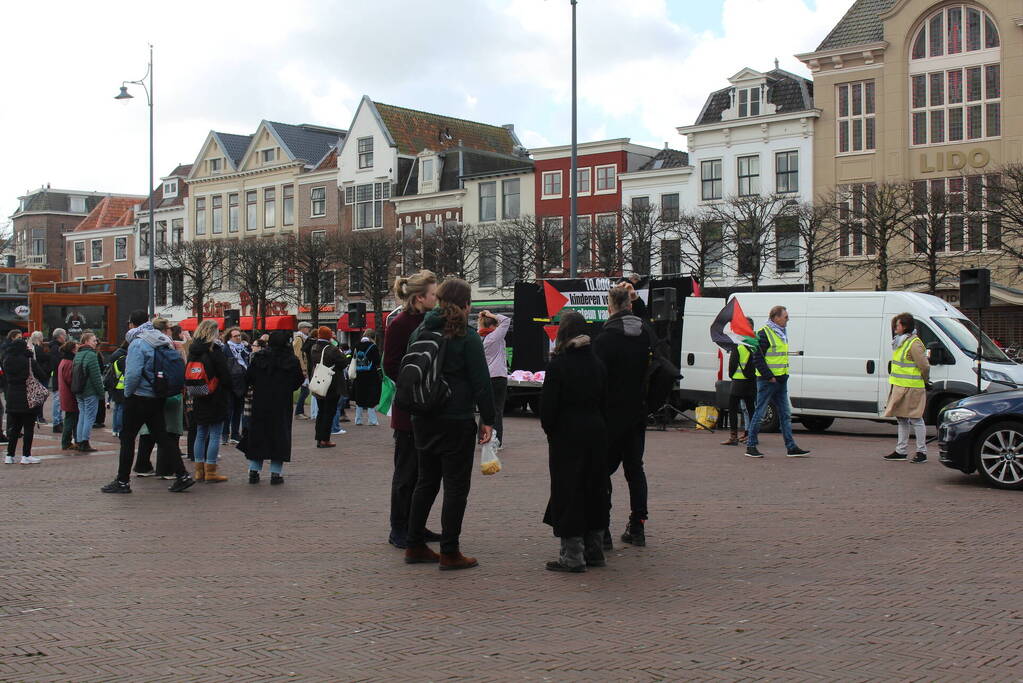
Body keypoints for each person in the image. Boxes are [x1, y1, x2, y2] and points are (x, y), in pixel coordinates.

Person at [404, 278, 495, 571]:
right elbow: (481, 382)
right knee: (455, 487)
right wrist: (488, 419)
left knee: (425, 482)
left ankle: (414, 544)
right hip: (455, 418)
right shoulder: (466, 336)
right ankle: (450, 551)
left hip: (423, 416)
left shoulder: (421, 329)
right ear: (465, 304)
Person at [593, 283, 665, 548]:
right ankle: (638, 526)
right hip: (637, 412)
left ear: (609, 307)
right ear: (630, 305)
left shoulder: (604, 339)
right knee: (635, 469)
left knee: (602, 471)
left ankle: (603, 530)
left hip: (610, 415)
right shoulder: (645, 334)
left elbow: (597, 379)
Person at [541, 310, 610, 572]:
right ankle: (595, 550)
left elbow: (548, 408)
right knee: (595, 488)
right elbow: (605, 401)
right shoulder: (598, 364)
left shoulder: (558, 365)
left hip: (567, 435)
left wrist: (552, 430)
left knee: (568, 491)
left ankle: (572, 555)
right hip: (596, 431)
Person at [100, 317, 195, 494]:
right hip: (158, 395)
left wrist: (128, 394)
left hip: (139, 396)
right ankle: (182, 475)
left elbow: (133, 374)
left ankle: (122, 480)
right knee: (162, 436)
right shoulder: (163, 341)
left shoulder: (138, 344)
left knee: (127, 438)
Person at [382, 269, 440, 549]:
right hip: (409, 411)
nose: (437, 298)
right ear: (419, 298)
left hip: (428, 410)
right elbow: (390, 364)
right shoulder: (400, 324)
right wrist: (414, 385)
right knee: (406, 474)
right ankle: (398, 528)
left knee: (423, 475)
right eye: (433, 294)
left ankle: (416, 524)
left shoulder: (429, 321)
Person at [240, 331, 305, 484]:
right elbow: (298, 380)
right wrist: (287, 388)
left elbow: (248, 377)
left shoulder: (259, 357)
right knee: (280, 436)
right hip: (281, 403)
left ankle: (254, 470)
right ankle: (276, 473)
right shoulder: (291, 360)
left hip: (261, 402)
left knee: (259, 435)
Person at [745, 305, 810, 458]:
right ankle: (751, 446)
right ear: (776, 318)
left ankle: (791, 447)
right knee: (760, 413)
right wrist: (769, 376)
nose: (788, 320)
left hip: (780, 379)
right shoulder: (764, 333)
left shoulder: (781, 333)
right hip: (768, 381)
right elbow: (757, 358)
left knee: (785, 414)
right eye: (785, 317)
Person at [132, 319, 185, 479]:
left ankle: (142, 465)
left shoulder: (144, 344)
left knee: (149, 430)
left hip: (149, 392)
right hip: (170, 391)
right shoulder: (170, 345)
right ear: (165, 330)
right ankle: (166, 469)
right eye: (169, 328)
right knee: (169, 431)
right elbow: (180, 369)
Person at [187, 320, 232, 483]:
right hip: (216, 395)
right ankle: (211, 471)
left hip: (199, 394)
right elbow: (224, 375)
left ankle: (199, 471)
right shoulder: (215, 350)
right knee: (214, 434)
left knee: (200, 433)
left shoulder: (193, 350)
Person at [883, 312, 931, 463]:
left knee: (916, 419)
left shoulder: (914, 343)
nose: (895, 328)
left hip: (912, 387)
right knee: (902, 419)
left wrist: (925, 380)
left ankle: (921, 452)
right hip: (900, 386)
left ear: (904, 326)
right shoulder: (900, 341)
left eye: (897, 325)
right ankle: (901, 451)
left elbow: (924, 366)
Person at [3, 336, 48, 464]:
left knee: (14, 428)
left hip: (12, 397)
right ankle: (26, 455)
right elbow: (42, 375)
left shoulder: (7, 360)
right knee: (28, 427)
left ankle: (9, 455)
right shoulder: (29, 361)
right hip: (28, 398)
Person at [721, 317, 758, 447]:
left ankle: (733, 437)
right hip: (751, 381)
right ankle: (752, 436)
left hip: (738, 382)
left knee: (732, 408)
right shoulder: (755, 344)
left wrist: (732, 375)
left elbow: (732, 364)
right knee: (751, 409)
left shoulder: (739, 344)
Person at [308, 326, 346, 448]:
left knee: (321, 411)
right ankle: (325, 439)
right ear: (329, 336)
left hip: (319, 382)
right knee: (329, 412)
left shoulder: (314, 347)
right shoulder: (332, 349)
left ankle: (319, 439)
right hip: (331, 384)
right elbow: (343, 362)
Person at [478, 310, 510, 448]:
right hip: (498, 376)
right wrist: (491, 315)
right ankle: (496, 440)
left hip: (486, 376)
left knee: (485, 408)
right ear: (492, 326)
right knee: (497, 410)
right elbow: (506, 320)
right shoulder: (495, 336)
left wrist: (483, 318)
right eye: (495, 325)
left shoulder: (480, 338)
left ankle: (482, 437)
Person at [72, 332, 104, 453]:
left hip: (79, 389)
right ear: (86, 341)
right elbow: (96, 377)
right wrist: (101, 392)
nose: (96, 343)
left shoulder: (78, 354)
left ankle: (79, 440)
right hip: (90, 391)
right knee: (89, 417)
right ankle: (85, 442)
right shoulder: (91, 355)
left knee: (82, 415)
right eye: (93, 340)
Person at [222, 327, 248, 444]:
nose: (238, 338)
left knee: (238, 410)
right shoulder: (225, 349)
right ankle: (225, 434)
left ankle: (235, 434)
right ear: (229, 337)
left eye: (239, 335)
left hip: (241, 383)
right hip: (230, 383)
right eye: (235, 336)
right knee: (228, 410)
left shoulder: (244, 349)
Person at [352, 329, 381, 426]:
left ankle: (358, 419)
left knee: (359, 396)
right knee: (371, 396)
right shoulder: (373, 346)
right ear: (373, 337)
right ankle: (372, 420)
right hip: (371, 374)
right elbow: (377, 361)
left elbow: (352, 358)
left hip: (358, 374)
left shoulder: (356, 345)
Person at [57, 341, 79, 451]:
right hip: (70, 395)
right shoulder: (69, 363)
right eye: (77, 348)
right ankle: (66, 442)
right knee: (71, 419)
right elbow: (70, 380)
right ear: (73, 350)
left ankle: (71, 441)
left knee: (71, 418)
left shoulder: (64, 361)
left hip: (66, 394)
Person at [106, 340, 129, 437]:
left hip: (115, 385)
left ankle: (115, 429)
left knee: (116, 408)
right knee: (121, 409)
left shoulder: (116, 357)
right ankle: (120, 429)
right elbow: (127, 374)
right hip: (121, 386)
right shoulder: (123, 359)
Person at [47, 328, 67, 432]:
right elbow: (57, 363)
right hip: (58, 377)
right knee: (58, 400)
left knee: (59, 399)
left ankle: (59, 420)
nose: (66, 337)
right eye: (64, 335)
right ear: (60, 336)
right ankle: (56, 422)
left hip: (58, 376)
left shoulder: (57, 347)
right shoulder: (56, 348)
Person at [28, 331, 50, 425]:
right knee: (41, 396)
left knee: (35, 396)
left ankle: (35, 415)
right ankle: (39, 416)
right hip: (41, 375)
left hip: (34, 375)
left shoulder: (31, 348)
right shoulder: (39, 349)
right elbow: (45, 359)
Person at [293, 322, 313, 419]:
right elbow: (298, 355)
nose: (308, 329)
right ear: (302, 328)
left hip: (305, 367)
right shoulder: (299, 339)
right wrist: (303, 369)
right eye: (307, 327)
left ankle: (300, 411)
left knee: (305, 391)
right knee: (305, 391)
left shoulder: (303, 338)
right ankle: (298, 412)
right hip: (302, 368)